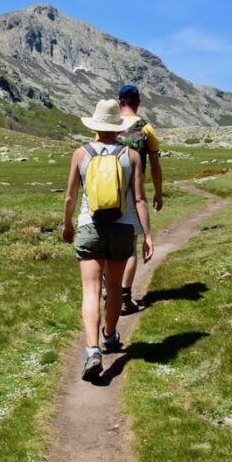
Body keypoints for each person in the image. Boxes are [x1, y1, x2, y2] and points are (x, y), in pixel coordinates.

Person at [63, 99, 154, 381]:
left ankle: (92, 351)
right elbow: (139, 198)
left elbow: (70, 196)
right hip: (122, 229)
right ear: (118, 126)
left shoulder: (80, 154)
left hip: (90, 227)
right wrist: (147, 235)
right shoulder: (132, 156)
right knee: (113, 288)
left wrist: (67, 224)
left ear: (96, 125)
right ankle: (110, 336)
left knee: (91, 290)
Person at [114, 85, 163, 314]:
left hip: (108, 190)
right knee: (130, 245)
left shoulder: (107, 126)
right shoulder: (147, 129)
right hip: (134, 192)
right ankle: (124, 297)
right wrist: (158, 193)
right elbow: (154, 165)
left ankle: (109, 289)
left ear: (119, 102)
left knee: (108, 238)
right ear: (138, 103)